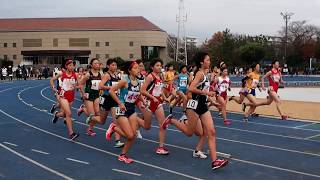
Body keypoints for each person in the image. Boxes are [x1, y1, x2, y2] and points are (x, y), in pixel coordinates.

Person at [162, 51, 229, 170]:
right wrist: (207, 92)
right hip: (193, 105)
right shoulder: (199, 74)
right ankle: (172, 120)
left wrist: (212, 101)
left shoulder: (205, 74)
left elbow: (203, 90)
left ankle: (215, 161)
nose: (209, 62)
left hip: (202, 105)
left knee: (211, 132)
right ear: (202, 62)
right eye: (207, 60)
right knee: (189, 133)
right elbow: (190, 89)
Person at [106, 61, 142, 164]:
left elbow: (137, 95)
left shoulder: (138, 82)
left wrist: (142, 102)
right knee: (130, 136)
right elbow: (111, 91)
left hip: (131, 109)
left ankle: (123, 155)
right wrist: (119, 103)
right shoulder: (124, 81)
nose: (138, 70)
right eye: (135, 68)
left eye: (138, 68)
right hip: (122, 109)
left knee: (133, 135)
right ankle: (114, 128)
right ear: (130, 71)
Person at [86, 58, 125, 148]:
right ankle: (92, 117)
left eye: (115, 65)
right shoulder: (106, 75)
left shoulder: (118, 75)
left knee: (116, 120)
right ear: (108, 66)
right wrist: (110, 88)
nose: (114, 67)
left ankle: (117, 141)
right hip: (106, 99)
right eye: (112, 65)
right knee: (101, 121)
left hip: (115, 99)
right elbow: (100, 86)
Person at [139, 58, 172, 155]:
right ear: (152, 67)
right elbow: (142, 91)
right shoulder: (150, 76)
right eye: (157, 65)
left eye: (160, 65)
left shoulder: (161, 76)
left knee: (162, 125)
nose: (159, 67)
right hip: (149, 102)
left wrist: (164, 98)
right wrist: (152, 97)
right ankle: (135, 121)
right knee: (147, 126)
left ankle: (161, 147)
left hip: (157, 102)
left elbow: (160, 89)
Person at [50, 59, 80, 140]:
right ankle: (71, 133)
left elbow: (80, 85)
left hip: (71, 96)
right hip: (63, 96)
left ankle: (57, 115)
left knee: (64, 114)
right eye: (70, 65)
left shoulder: (76, 75)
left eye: (73, 65)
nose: (72, 67)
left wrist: (77, 88)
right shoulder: (61, 73)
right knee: (69, 114)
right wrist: (54, 88)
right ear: (66, 66)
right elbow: (52, 80)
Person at [78, 58, 102, 136]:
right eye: (95, 63)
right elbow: (81, 84)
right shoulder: (88, 74)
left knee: (97, 114)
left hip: (96, 95)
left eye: (98, 63)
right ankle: (83, 109)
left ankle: (90, 129)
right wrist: (83, 93)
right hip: (89, 96)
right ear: (91, 65)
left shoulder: (100, 74)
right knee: (91, 115)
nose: (97, 65)